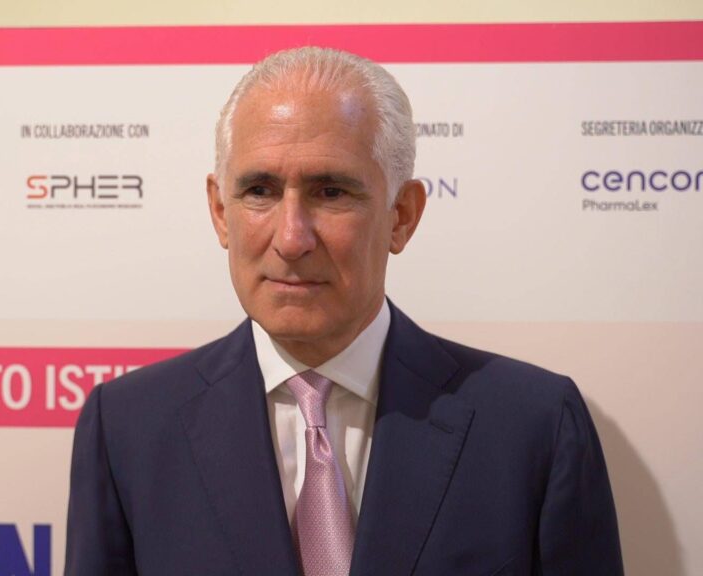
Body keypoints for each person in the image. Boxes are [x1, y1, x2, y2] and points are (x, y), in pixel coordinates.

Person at [64, 47, 623, 576]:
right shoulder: (127, 429)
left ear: (402, 216)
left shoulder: (535, 426)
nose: (291, 238)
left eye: (331, 192)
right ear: (219, 211)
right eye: (259, 190)